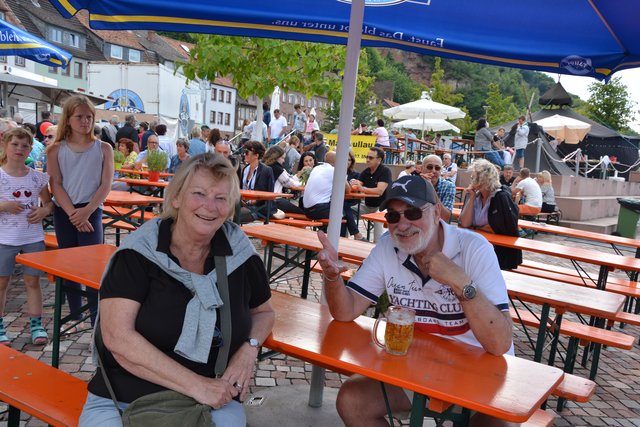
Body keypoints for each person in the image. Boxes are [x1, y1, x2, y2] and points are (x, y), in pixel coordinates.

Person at [79, 153, 274, 427]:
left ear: (230, 206)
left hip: (212, 398)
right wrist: (197, 385)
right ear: (177, 198)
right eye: (199, 194)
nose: (210, 206)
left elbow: (264, 312)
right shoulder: (138, 255)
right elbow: (117, 339)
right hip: (125, 397)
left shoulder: (239, 253)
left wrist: (249, 349)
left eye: (221, 198)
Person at [315, 174, 513, 427]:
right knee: (352, 401)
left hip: (481, 371)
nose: (403, 224)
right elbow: (346, 310)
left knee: (500, 424)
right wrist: (332, 278)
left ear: (436, 213)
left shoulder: (474, 248)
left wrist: (459, 281)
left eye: (413, 213)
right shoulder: (388, 247)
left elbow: (499, 344)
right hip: (417, 368)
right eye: (393, 216)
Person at [47, 95, 113, 329]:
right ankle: (75, 316)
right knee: (68, 264)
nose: (85, 121)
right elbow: (55, 184)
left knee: (93, 267)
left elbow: (105, 184)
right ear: (68, 118)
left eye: (89, 117)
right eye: (79, 117)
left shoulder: (103, 148)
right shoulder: (56, 149)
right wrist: (73, 213)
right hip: (65, 212)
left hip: (91, 210)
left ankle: (95, 320)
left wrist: (86, 211)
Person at [0, 128, 54, 345]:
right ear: (5, 145)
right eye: (15, 144)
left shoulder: (37, 177)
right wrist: (3, 206)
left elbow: (48, 203)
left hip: (32, 237)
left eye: (24, 146)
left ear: (31, 149)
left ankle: (36, 324)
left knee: (33, 281)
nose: (19, 149)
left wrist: (43, 211)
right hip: (4, 238)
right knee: (2, 282)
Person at [459, 159, 522, 270]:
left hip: (497, 251)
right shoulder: (474, 195)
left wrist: (475, 227)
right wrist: (472, 198)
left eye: (474, 177)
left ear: (484, 179)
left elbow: (498, 228)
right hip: (476, 245)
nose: (471, 180)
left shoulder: (500, 197)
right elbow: (464, 223)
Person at [349, 147, 392, 242]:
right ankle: (344, 240)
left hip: (383, 206)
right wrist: (354, 183)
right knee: (348, 212)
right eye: (367, 157)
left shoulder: (385, 171)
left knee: (377, 218)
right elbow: (357, 185)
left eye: (371, 158)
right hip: (367, 205)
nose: (367, 160)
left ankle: (378, 244)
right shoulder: (366, 172)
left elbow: (379, 191)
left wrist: (362, 188)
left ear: (379, 160)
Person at [302, 151, 349, 236]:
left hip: (307, 210)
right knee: (344, 212)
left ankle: (323, 234)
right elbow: (347, 190)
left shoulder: (317, 168)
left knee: (333, 207)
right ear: (337, 162)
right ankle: (341, 240)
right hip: (318, 210)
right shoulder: (334, 170)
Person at [239, 141, 275, 223]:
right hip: (244, 205)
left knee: (235, 215)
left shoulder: (266, 170)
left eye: (247, 152)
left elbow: (270, 194)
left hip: (259, 208)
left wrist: (252, 202)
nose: (244, 154)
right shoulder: (245, 169)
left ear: (256, 155)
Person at [262, 145, 303, 215]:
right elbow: (291, 184)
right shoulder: (277, 168)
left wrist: (298, 175)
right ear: (276, 157)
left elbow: (288, 179)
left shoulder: (264, 166)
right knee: (302, 213)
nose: (284, 161)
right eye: (282, 158)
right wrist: (303, 183)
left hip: (264, 201)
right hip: (275, 201)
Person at [420, 154, 456, 222]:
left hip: (437, 225)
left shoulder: (449, 186)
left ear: (440, 171)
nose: (433, 171)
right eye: (429, 167)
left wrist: (430, 188)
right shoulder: (414, 184)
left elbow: (445, 218)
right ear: (422, 169)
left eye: (437, 168)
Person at [344, 151, 365, 241]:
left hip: (351, 201)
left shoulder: (356, 175)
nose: (347, 162)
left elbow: (358, 190)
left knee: (343, 207)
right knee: (342, 209)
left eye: (349, 160)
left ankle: (342, 240)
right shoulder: (333, 172)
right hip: (339, 202)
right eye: (345, 159)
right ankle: (356, 234)